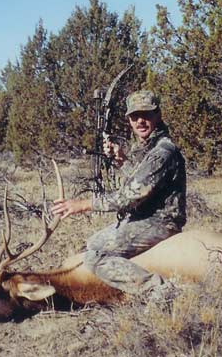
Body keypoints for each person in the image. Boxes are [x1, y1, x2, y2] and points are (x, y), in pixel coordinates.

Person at [52, 89, 186, 296]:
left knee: (96, 257)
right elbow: (142, 180)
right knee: (91, 244)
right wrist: (121, 160)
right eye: (134, 116)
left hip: (161, 221)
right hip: (144, 216)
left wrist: (82, 205)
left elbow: (129, 197)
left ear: (158, 115)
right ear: (129, 120)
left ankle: (158, 291)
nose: (140, 121)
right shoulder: (148, 147)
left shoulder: (162, 152)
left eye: (146, 115)